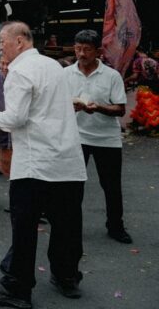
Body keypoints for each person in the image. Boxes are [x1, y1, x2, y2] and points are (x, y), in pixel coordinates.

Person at [0, 22, 87, 307]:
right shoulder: (53, 66)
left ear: (19, 41)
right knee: (66, 224)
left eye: (2, 41)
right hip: (67, 162)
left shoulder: (19, 71)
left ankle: (18, 288)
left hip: (35, 164)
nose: (0, 46)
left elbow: (15, 118)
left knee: (24, 228)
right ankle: (66, 277)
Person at [64, 29, 131, 244]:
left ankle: (116, 226)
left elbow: (120, 109)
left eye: (87, 49)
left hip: (106, 140)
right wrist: (69, 107)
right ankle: (71, 227)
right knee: (73, 186)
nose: (81, 54)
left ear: (98, 51)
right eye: (78, 49)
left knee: (111, 186)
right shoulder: (66, 74)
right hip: (77, 138)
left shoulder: (111, 76)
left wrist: (99, 107)